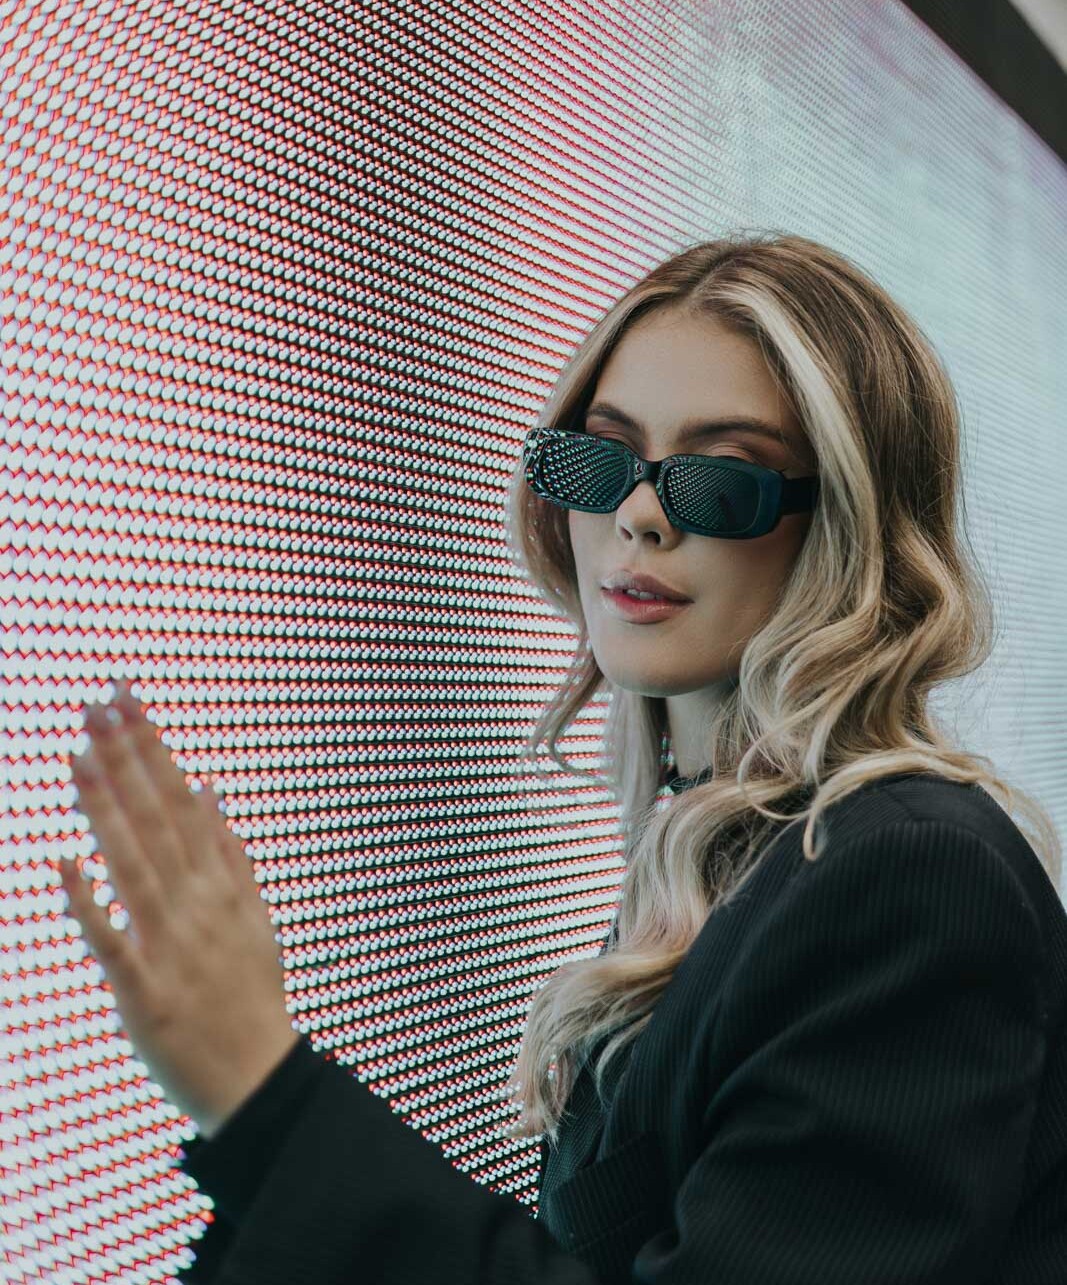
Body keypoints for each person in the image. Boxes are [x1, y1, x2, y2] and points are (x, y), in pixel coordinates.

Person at [173, 232, 1067, 1284]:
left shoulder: (901, 872)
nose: (635, 515)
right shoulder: (729, 857)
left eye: (722, 481)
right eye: (597, 462)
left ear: (848, 525)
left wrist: (268, 1099)